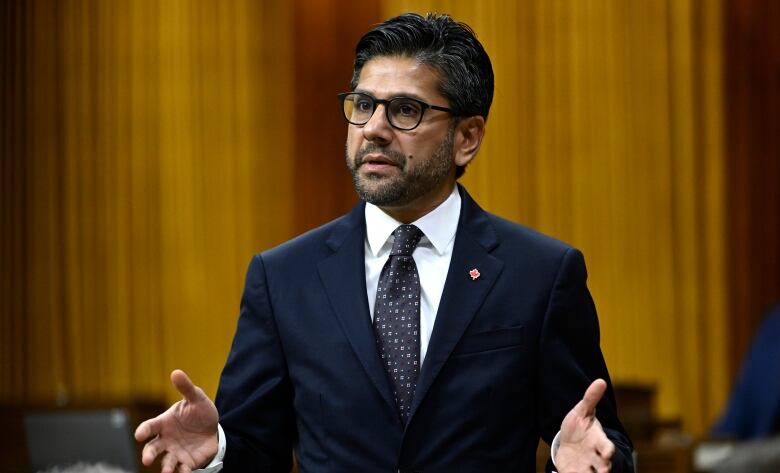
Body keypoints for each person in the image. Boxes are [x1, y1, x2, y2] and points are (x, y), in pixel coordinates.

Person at [135, 13, 634, 473]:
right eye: (363, 105)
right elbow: (255, 450)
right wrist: (218, 452)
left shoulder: (540, 275)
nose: (373, 129)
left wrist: (581, 466)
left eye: (405, 110)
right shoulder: (284, 276)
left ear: (467, 137)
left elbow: (599, 441)